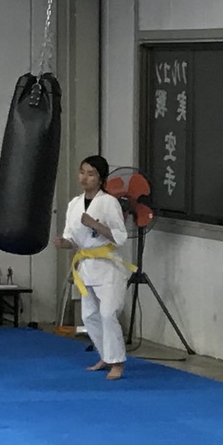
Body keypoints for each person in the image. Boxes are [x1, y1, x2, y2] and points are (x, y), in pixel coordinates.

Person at [62, 154, 129, 380]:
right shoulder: (74, 204)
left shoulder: (109, 202)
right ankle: (106, 356)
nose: (84, 178)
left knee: (108, 314)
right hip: (86, 266)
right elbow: (72, 238)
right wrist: (64, 243)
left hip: (108, 266)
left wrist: (95, 225)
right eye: (82, 172)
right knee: (90, 316)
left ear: (101, 179)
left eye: (91, 174)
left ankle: (117, 362)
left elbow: (120, 236)